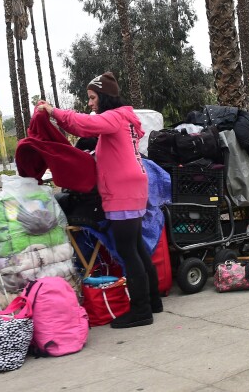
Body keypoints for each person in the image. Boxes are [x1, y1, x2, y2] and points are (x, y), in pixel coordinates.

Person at [36, 71, 160, 328]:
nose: (90, 103)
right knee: (136, 247)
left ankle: (141, 311)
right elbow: (87, 130)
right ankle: (153, 301)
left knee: (128, 252)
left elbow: (83, 125)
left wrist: (53, 111)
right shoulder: (124, 119)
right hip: (133, 187)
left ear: (104, 96)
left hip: (122, 192)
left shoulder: (113, 118)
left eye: (92, 98)